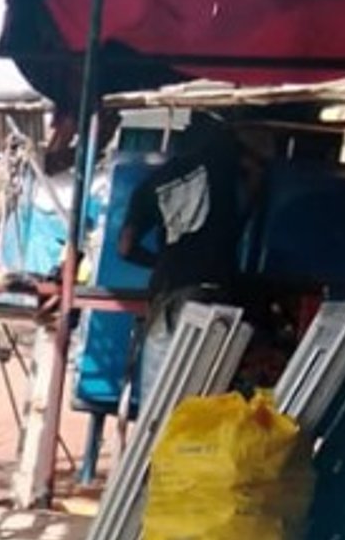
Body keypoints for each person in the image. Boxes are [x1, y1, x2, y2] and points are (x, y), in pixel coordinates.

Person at [115, 113, 270, 406]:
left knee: (156, 403)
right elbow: (255, 171)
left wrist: (159, 261)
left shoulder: (151, 185)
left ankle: (152, 449)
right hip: (220, 296)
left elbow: (124, 246)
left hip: (171, 294)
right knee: (204, 402)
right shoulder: (222, 162)